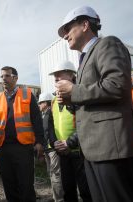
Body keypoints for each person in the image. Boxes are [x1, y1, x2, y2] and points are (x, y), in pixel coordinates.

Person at [55, 6, 133, 202]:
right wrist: (70, 99)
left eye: (68, 28)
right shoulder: (85, 58)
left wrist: (74, 91)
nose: (65, 35)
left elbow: (117, 85)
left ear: (85, 24)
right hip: (93, 149)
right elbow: (93, 99)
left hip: (111, 147)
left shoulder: (108, 44)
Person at [0, 66, 44, 202]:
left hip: (23, 147)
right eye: (2, 76)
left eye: (7, 76)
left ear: (15, 78)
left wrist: (39, 142)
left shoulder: (27, 94)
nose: (3, 79)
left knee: (25, 185)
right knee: (9, 186)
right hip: (3, 148)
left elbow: (37, 120)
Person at [49, 61, 92, 202]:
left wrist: (70, 143)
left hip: (80, 152)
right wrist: (55, 143)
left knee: (86, 190)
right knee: (68, 190)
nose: (56, 78)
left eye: (59, 75)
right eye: (54, 76)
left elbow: (87, 123)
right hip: (63, 152)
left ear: (71, 75)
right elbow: (51, 125)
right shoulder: (54, 100)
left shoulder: (81, 94)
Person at [38, 92, 64, 202]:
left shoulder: (51, 113)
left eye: (40, 102)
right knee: (52, 173)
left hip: (53, 148)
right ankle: (56, 197)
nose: (39, 105)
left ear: (47, 103)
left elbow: (50, 131)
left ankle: (59, 199)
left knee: (55, 174)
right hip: (47, 148)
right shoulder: (43, 115)